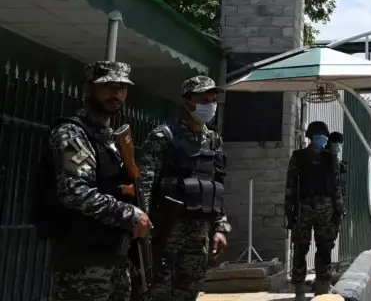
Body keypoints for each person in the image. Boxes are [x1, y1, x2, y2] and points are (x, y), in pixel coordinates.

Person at [38, 61, 151, 301]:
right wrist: (129, 214)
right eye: (108, 87)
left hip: (115, 258)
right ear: (88, 89)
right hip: (84, 262)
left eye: (122, 88)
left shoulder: (111, 138)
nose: (117, 94)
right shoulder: (72, 133)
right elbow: (74, 191)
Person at [136, 75, 230, 301]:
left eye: (212, 99)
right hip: (165, 233)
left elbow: (216, 188)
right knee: (158, 294)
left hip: (199, 239)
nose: (210, 104)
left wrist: (220, 227)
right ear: (188, 102)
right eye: (203, 99)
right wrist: (144, 231)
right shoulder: (164, 137)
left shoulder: (214, 141)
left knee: (188, 294)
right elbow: (144, 186)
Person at [286, 121, 344, 299]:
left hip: (325, 209)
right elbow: (290, 186)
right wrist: (290, 213)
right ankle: (299, 291)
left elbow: (336, 187)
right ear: (311, 136)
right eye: (318, 135)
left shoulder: (330, 159)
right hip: (303, 208)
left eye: (323, 135)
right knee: (300, 250)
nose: (322, 138)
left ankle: (323, 288)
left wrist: (338, 212)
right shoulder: (298, 157)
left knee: (325, 249)